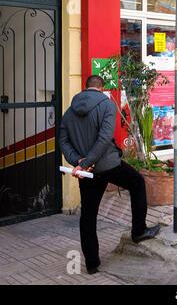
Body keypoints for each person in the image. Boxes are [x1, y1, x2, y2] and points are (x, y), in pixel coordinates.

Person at [59, 75, 160, 275]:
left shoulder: (69, 112)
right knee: (137, 182)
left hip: (87, 173)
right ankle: (138, 231)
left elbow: (63, 141)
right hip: (108, 165)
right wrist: (88, 162)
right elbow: (104, 138)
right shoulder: (106, 104)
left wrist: (79, 162)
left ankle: (92, 264)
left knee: (88, 215)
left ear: (85, 88)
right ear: (101, 88)